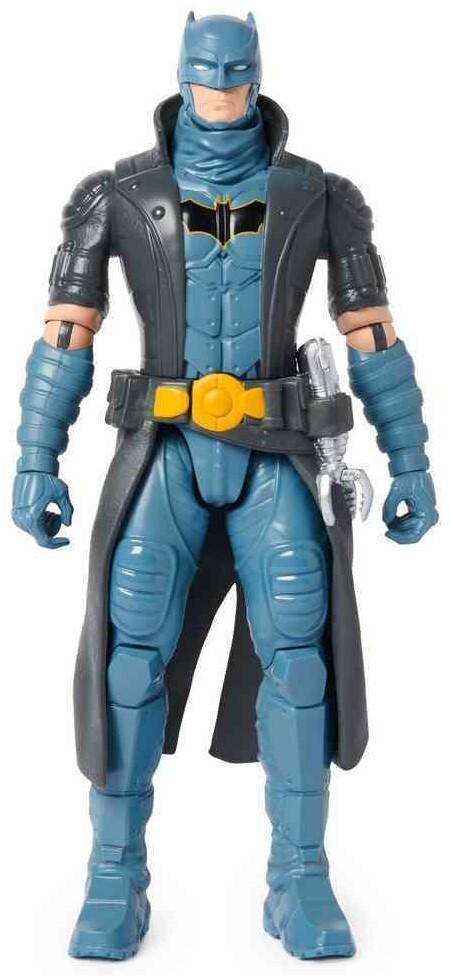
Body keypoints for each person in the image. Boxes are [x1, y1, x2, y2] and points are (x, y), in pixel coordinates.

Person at [12, 11, 437, 962]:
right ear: (180, 76)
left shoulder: (319, 196)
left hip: (273, 452)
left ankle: (300, 878)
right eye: (206, 74)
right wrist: (37, 456)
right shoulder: (115, 195)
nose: (220, 89)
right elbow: (65, 335)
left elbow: (372, 336)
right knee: (129, 660)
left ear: (257, 76)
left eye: (234, 74)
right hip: (163, 450)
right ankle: (114, 877)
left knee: (300, 657)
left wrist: (409, 456)